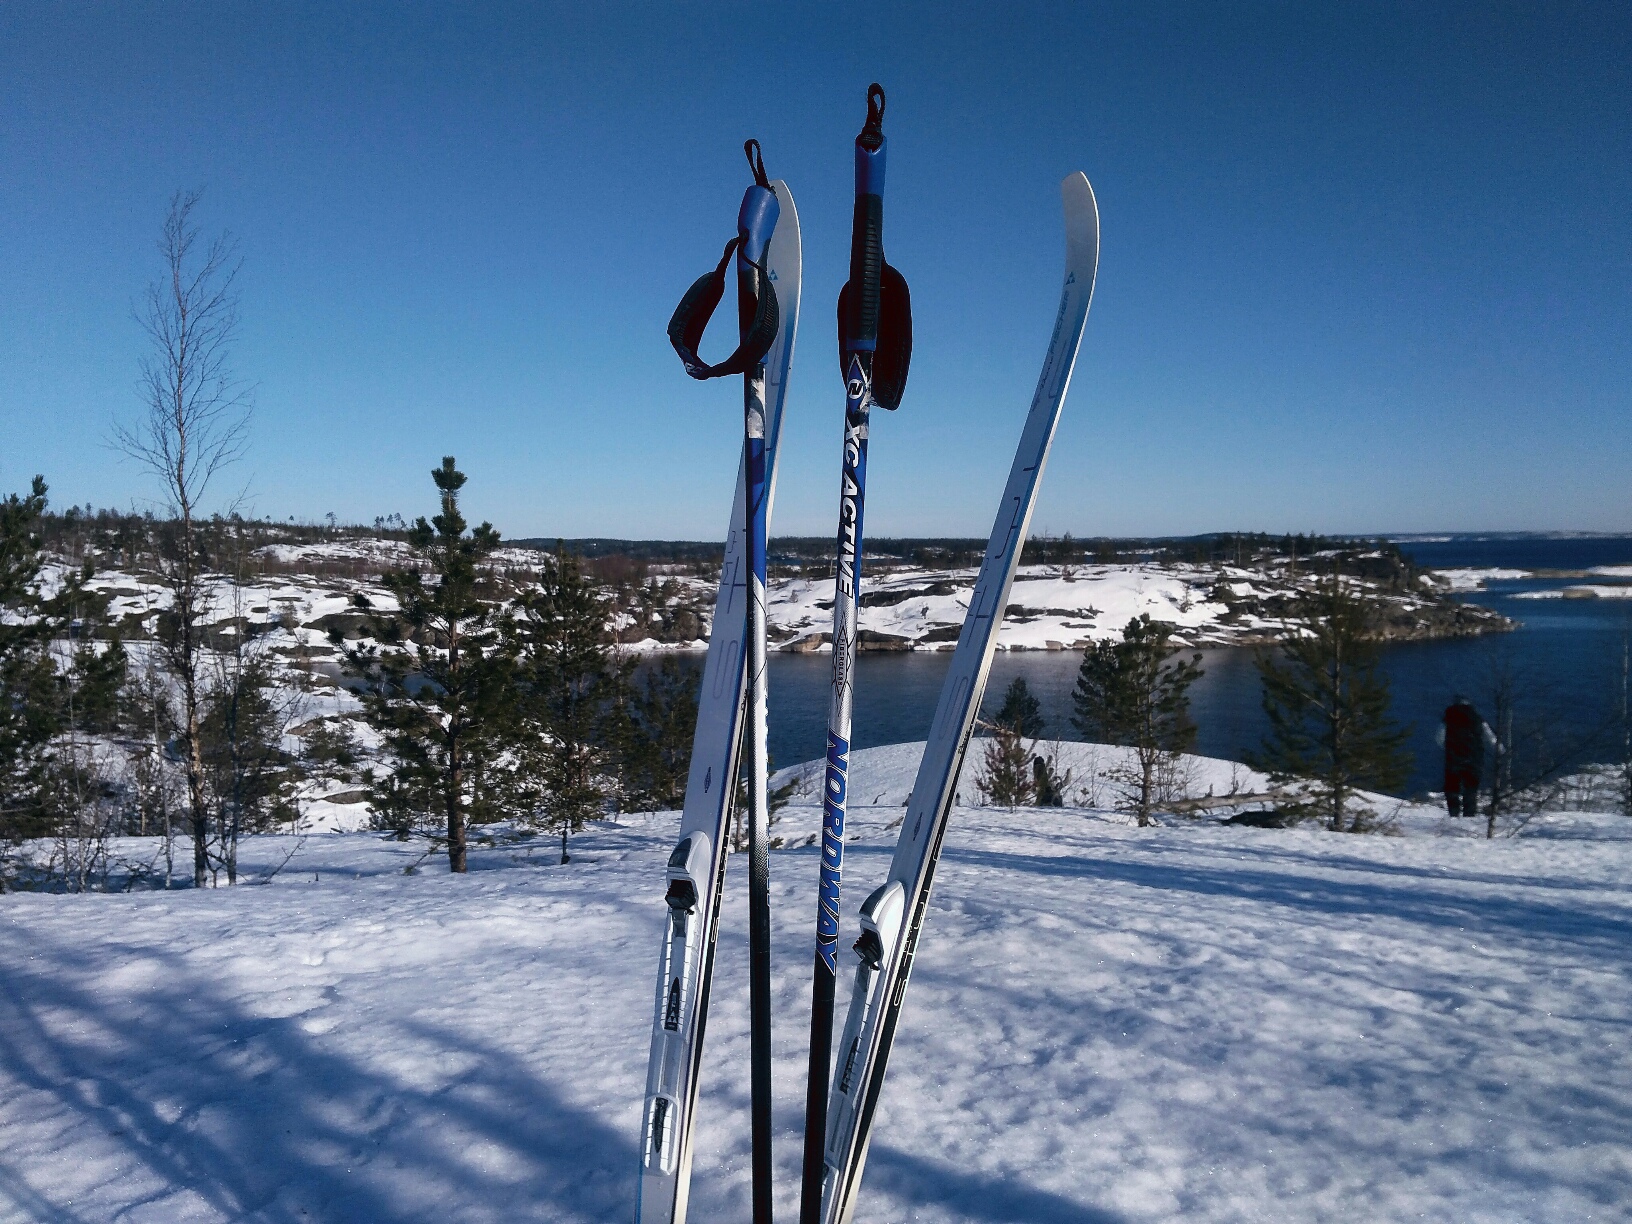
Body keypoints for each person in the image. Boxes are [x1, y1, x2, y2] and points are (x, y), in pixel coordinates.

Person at [1437, 695, 1496, 817]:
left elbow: (1439, 738)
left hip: (1453, 758)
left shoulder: (1448, 718)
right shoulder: (1477, 718)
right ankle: (1469, 814)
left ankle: (1454, 813)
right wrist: (1502, 751)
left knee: (1452, 787)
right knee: (1471, 788)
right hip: (1474, 758)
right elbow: (1491, 738)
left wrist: (1447, 748)